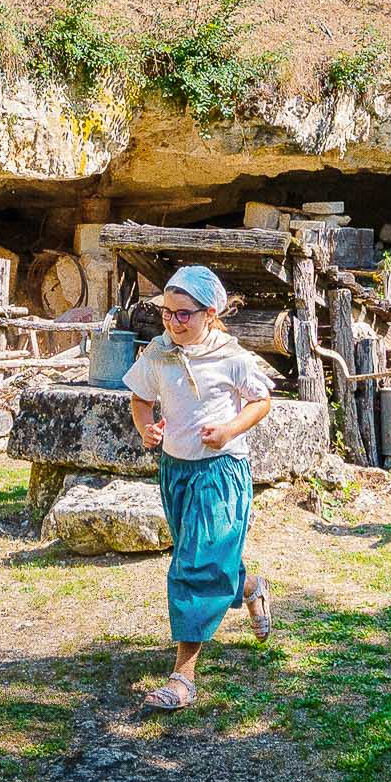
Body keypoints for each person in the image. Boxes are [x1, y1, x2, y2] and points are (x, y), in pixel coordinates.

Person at [123, 265, 275, 710]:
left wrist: (228, 431)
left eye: (183, 314)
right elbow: (140, 399)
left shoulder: (232, 356)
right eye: (167, 313)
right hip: (176, 472)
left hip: (220, 473)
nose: (173, 322)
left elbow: (261, 401)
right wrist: (146, 429)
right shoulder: (159, 353)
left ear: (210, 314)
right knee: (205, 555)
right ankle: (249, 586)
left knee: (193, 564)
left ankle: (183, 677)